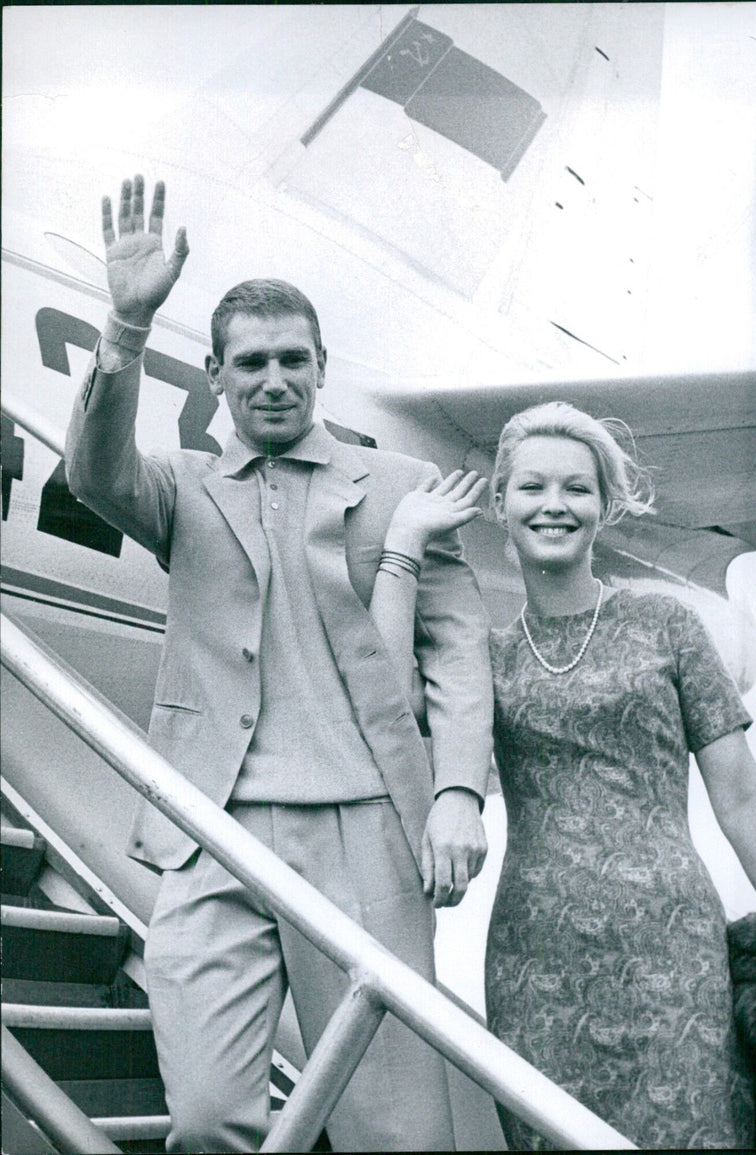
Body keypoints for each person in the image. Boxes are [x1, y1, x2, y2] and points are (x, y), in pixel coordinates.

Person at [65, 176, 494, 1153]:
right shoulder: (179, 488)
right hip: (209, 832)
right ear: (213, 374)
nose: (273, 380)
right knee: (210, 1115)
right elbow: (91, 471)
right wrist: (124, 332)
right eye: (249, 362)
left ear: (321, 368)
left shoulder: (401, 486)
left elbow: (457, 656)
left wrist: (459, 794)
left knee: (392, 1130)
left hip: (362, 834)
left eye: (292, 361)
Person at [375, 401, 756, 1150]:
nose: (555, 505)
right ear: (500, 504)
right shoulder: (485, 660)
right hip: (537, 961)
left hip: (675, 951)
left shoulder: (668, 627)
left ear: (606, 506)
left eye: (577, 487)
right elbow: (382, 700)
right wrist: (402, 549)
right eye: (532, 487)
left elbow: (739, 792)